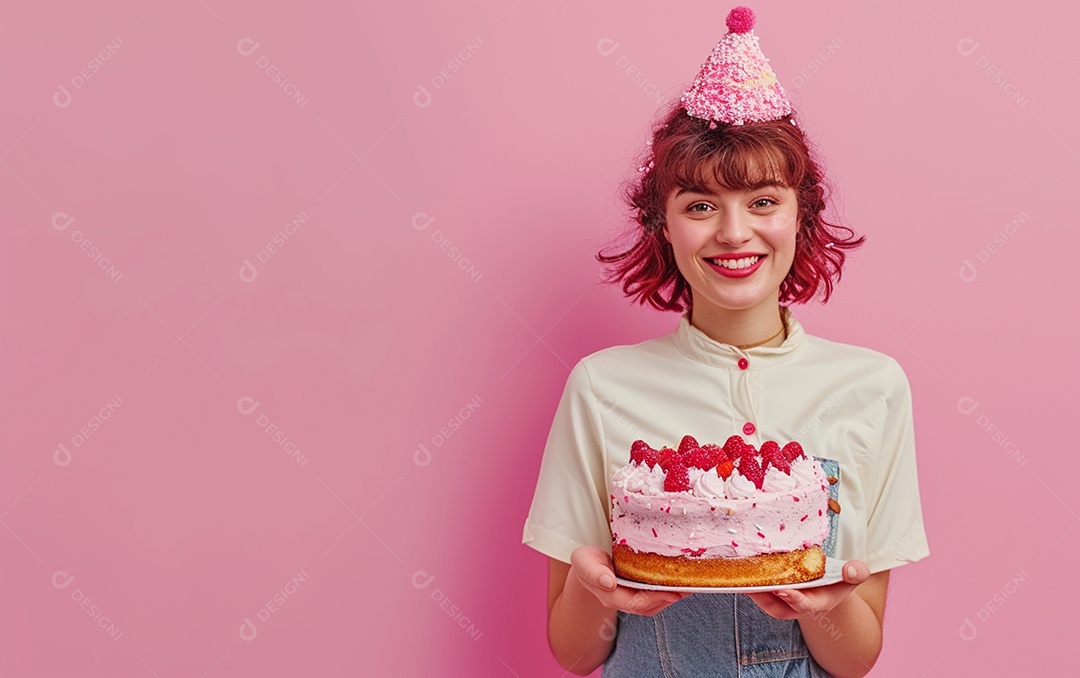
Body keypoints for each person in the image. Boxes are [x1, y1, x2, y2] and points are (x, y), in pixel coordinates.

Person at [521, 6, 929, 677]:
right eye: (700, 206)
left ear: (803, 214)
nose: (735, 233)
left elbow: (856, 661)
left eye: (763, 201)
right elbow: (574, 652)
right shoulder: (601, 386)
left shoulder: (873, 388)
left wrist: (822, 604)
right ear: (666, 227)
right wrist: (597, 592)